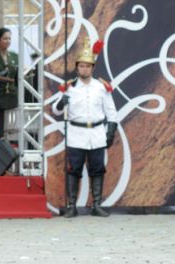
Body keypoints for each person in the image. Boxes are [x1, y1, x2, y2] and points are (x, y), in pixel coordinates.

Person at [52, 37, 117, 218]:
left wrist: (110, 132)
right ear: (77, 67)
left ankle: (96, 204)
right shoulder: (69, 87)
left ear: (93, 68)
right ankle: (72, 205)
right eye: (81, 66)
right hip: (76, 134)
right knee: (74, 170)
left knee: (97, 169)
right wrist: (61, 102)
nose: (84, 69)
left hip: (96, 133)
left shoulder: (101, 88)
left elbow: (111, 113)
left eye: (88, 66)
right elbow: (56, 111)